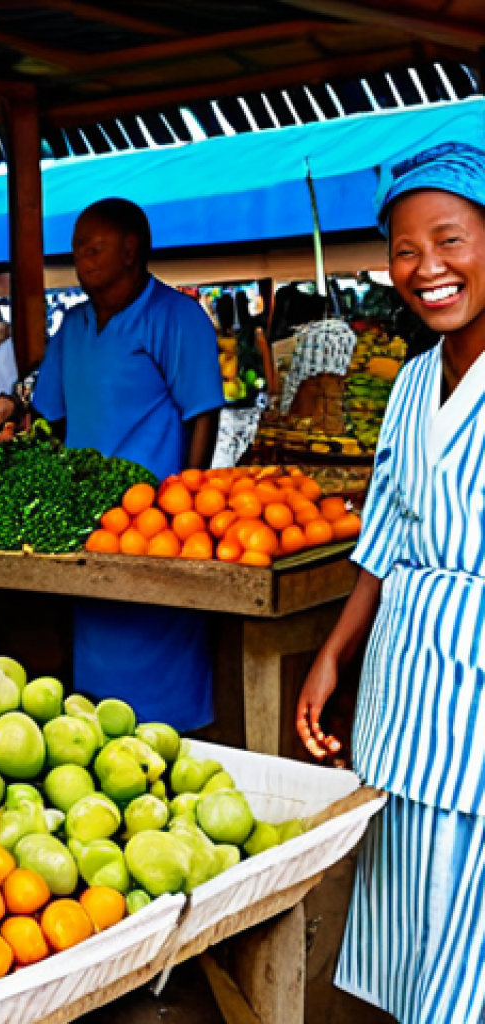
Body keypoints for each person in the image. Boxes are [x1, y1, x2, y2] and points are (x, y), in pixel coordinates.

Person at [296, 142, 485, 1024]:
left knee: (467, 907)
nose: (427, 269)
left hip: (477, 688)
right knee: (410, 887)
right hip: (406, 684)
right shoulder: (411, 383)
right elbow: (385, 536)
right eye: (405, 251)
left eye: (450, 241)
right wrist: (335, 654)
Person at [0, 198, 223, 730]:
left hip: (156, 526)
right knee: (98, 672)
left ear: (132, 250)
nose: (82, 260)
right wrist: (11, 410)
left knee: (158, 650)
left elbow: (203, 414)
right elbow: (47, 406)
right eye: (78, 250)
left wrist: (189, 503)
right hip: (87, 524)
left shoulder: (176, 317)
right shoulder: (75, 326)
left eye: (94, 248)